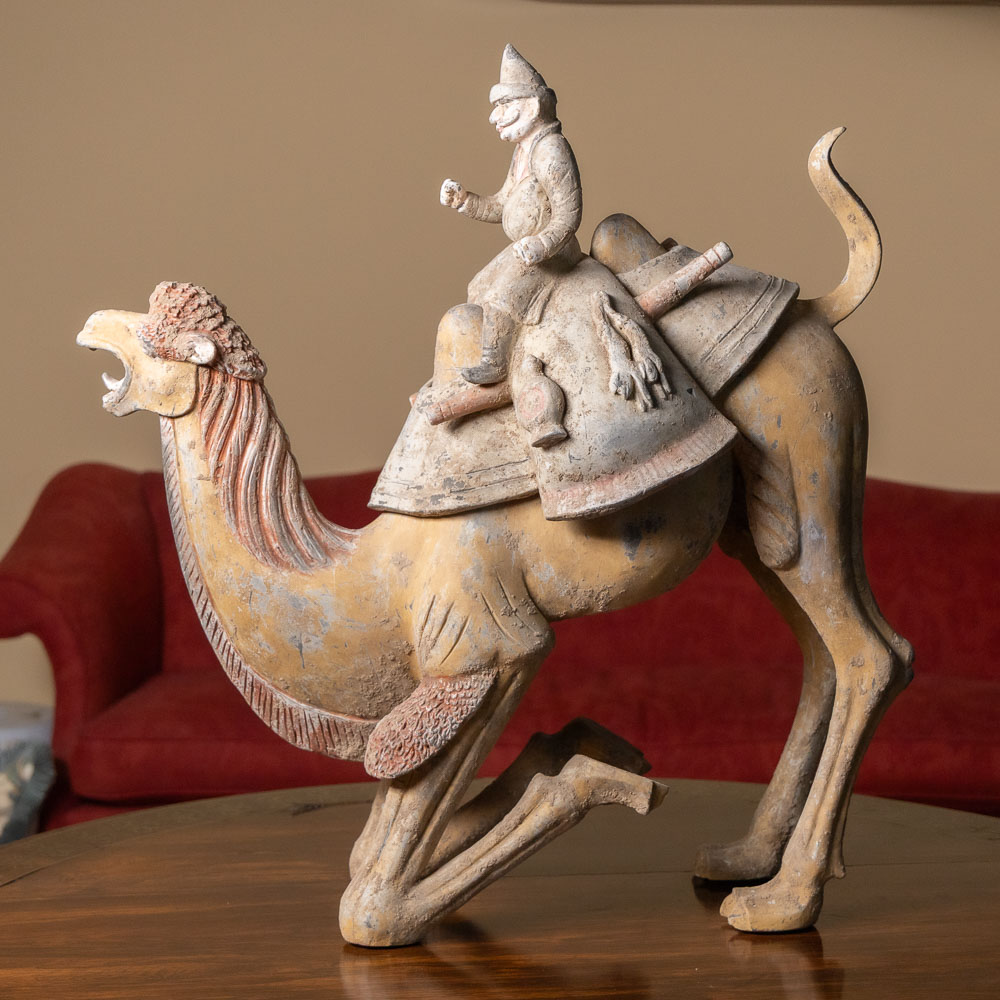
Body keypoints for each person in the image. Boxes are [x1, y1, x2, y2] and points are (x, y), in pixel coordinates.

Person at [441, 45, 583, 385]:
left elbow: (569, 214)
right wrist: (465, 200)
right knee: (478, 286)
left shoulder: (551, 151)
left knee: (499, 296)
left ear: (531, 106)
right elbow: (503, 204)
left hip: (552, 254)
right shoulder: (524, 150)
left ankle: (496, 363)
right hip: (526, 248)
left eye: (504, 105)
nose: (495, 117)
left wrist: (541, 245)